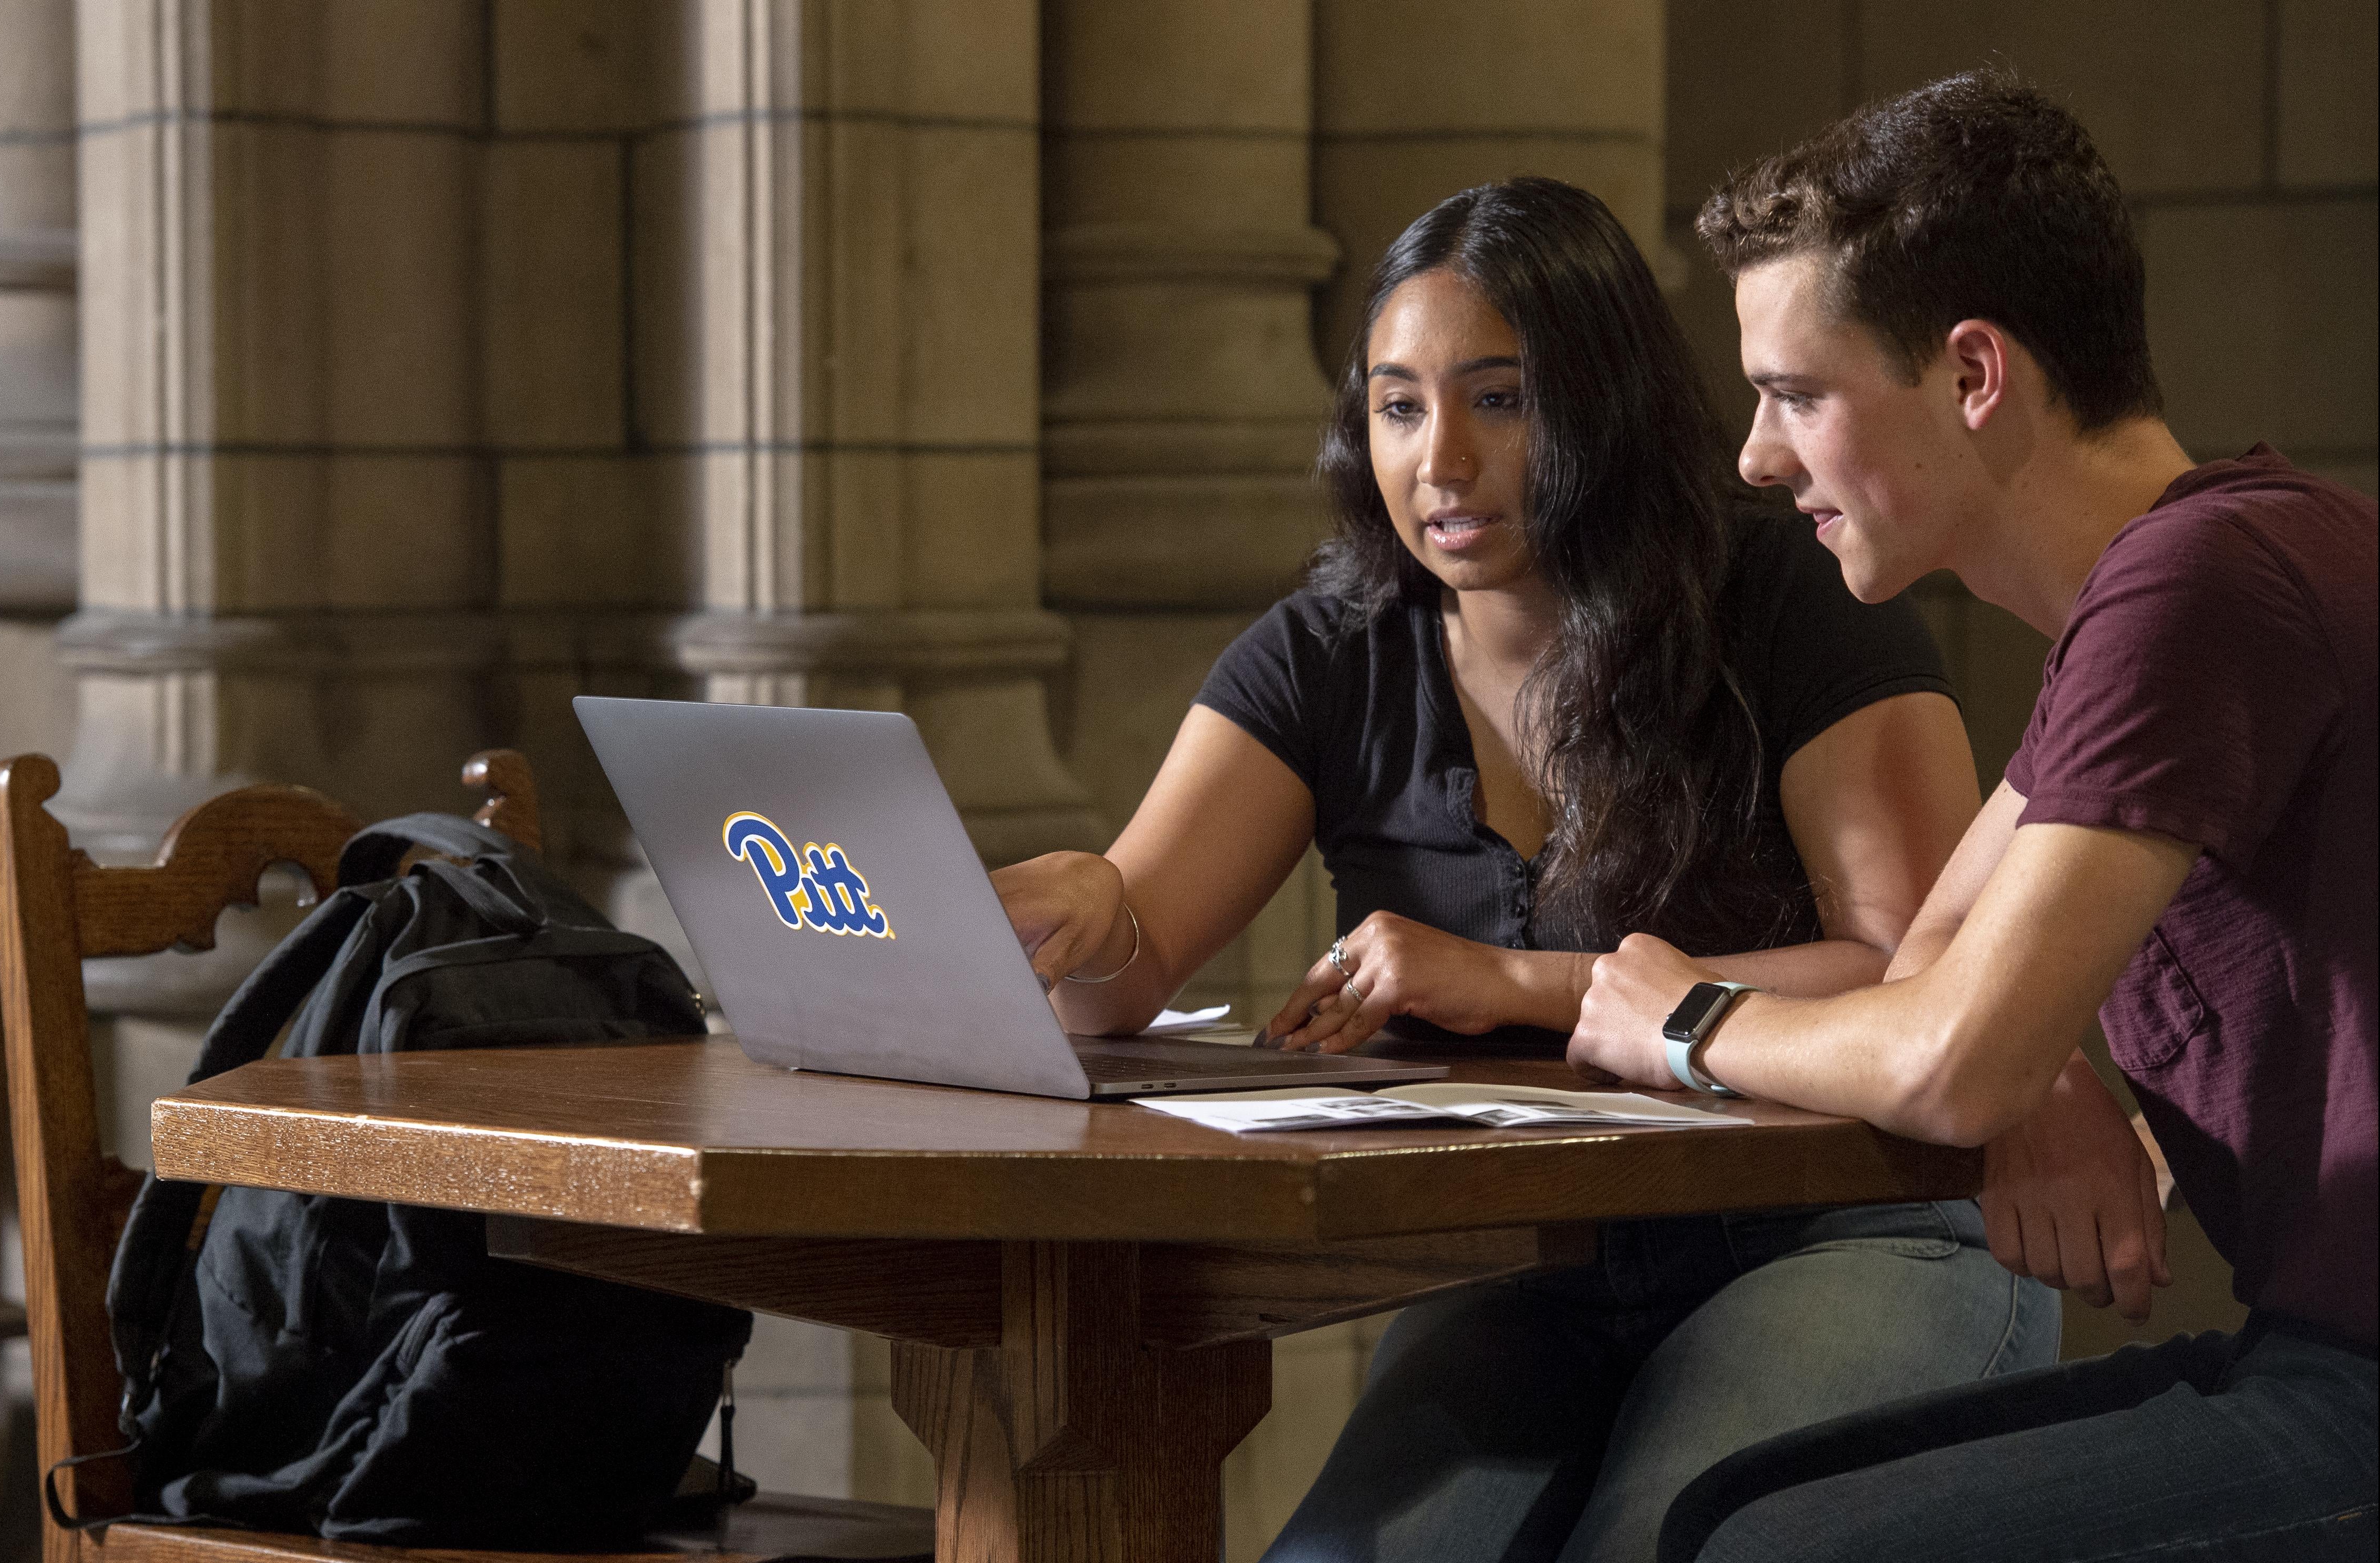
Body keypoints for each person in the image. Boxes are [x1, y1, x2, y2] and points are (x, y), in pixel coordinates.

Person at [992, 177, 2058, 1563]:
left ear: (1602, 401)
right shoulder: (1329, 652)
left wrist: (1517, 983)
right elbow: (1119, 973)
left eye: (1497, 400)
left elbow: (1907, 970)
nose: (1437, 458)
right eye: (1394, 406)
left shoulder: (1775, 597)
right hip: (1528, 1268)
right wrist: (1078, 911)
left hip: (1849, 1226)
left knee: (1660, 1544)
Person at [1557, 72, 2376, 1562]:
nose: (1753, 455)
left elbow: (1946, 1061)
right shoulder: (2166, 581)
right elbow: (1928, 971)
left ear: (1973, 374)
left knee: (1767, 1552)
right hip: (2320, 1359)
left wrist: (1678, 1018)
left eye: (1795, 394)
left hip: (2361, 1393)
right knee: (1720, 1514)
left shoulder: (2194, 586)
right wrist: (2025, 1070)